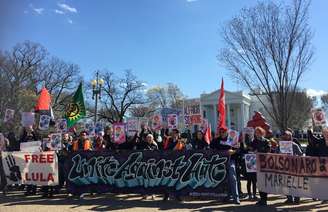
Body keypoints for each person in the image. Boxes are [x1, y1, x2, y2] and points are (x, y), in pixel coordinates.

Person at [210, 127, 240, 205]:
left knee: (233, 179)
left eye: (223, 132)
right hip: (220, 162)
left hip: (230, 161)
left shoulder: (231, 139)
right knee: (224, 180)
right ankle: (228, 196)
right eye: (221, 132)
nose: (222, 133)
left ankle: (236, 198)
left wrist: (233, 151)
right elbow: (210, 148)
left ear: (227, 132)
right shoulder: (216, 140)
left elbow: (238, 150)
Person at [281, 130, 303, 204]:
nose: (286, 138)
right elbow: (276, 154)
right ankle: (289, 198)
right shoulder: (280, 145)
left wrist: (294, 157)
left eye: (288, 136)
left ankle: (297, 198)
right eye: (285, 136)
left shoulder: (294, 145)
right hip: (284, 167)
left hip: (294, 167)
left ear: (290, 137)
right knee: (286, 184)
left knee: (295, 183)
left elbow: (300, 154)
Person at [253, 127, 270, 206]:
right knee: (259, 182)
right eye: (256, 132)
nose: (256, 134)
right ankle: (261, 199)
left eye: (258, 132)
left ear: (262, 133)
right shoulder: (254, 141)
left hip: (264, 164)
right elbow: (250, 149)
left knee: (264, 182)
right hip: (256, 164)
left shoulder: (266, 141)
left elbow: (268, 151)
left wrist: (260, 151)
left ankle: (264, 199)